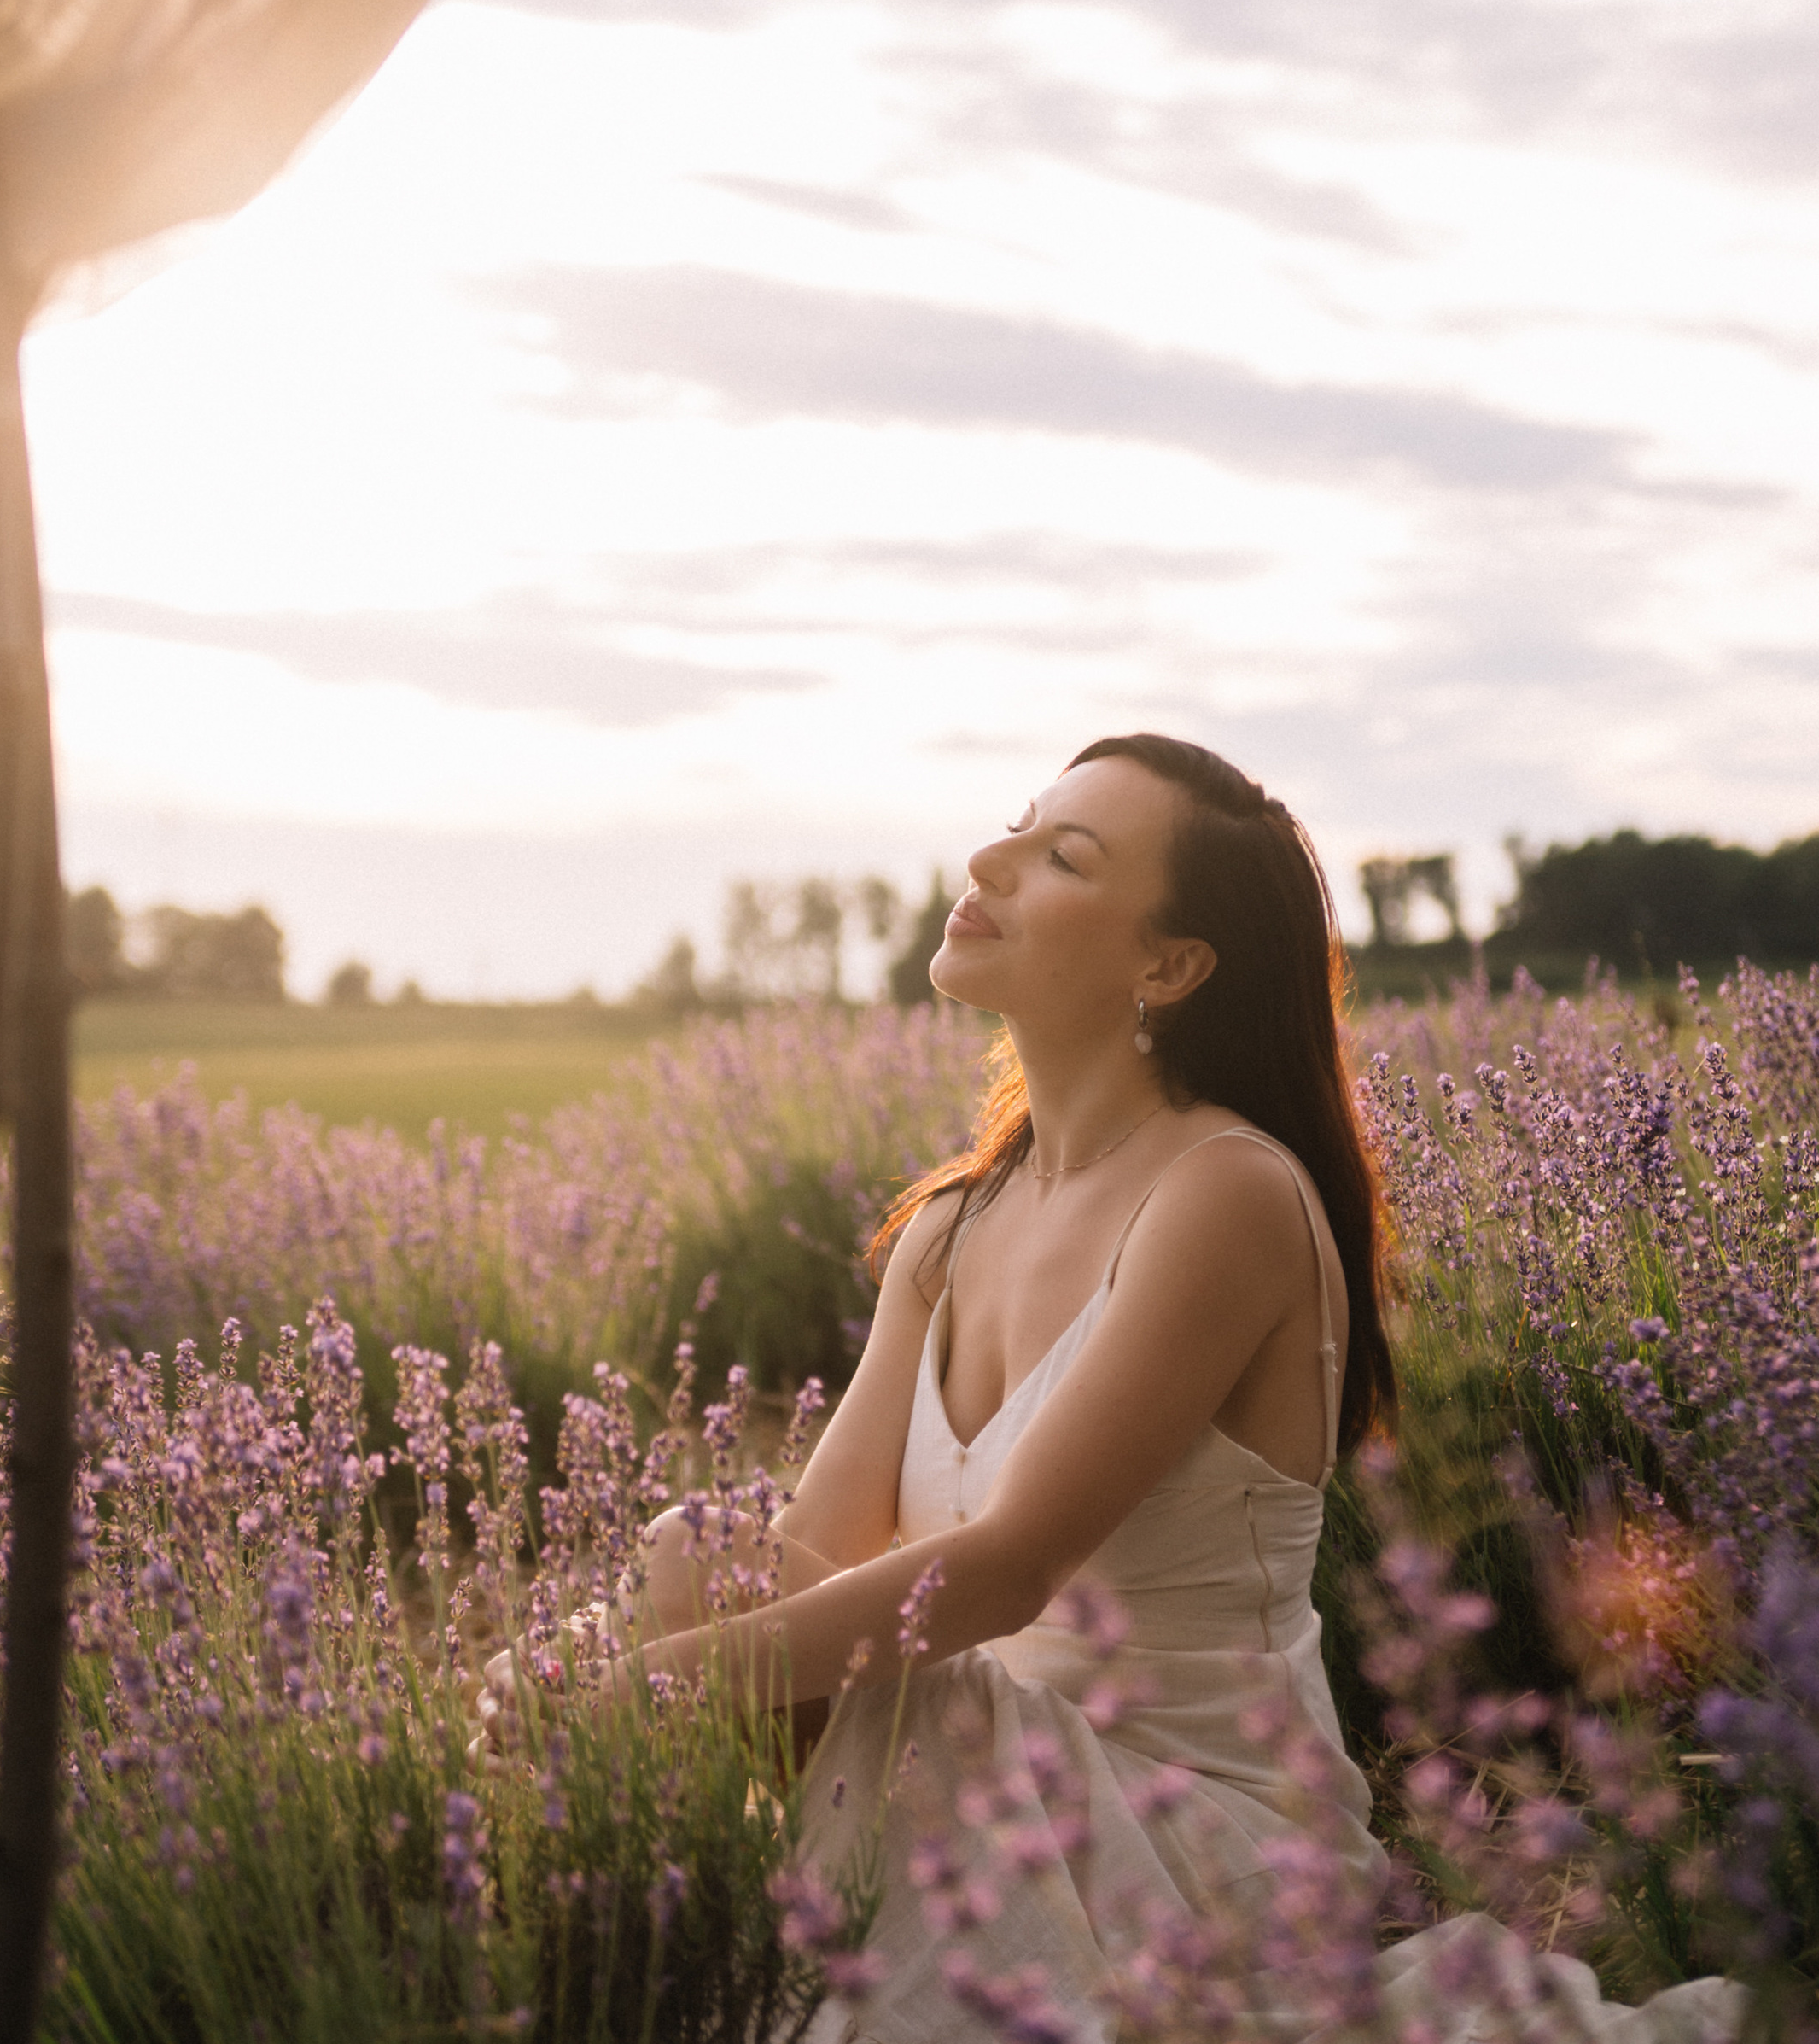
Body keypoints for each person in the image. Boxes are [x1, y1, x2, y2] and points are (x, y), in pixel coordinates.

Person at [477, 734, 1740, 2044]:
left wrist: (642, 1691)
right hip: (990, 1768)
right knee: (703, 1555)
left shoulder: (1227, 1194)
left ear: (1170, 966)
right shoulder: (953, 1225)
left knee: (746, 1633)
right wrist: (588, 1658)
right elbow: (813, 1547)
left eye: (1062, 856)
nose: (989, 861)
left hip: (1188, 1824)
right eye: (1018, 827)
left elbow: (1009, 1571)